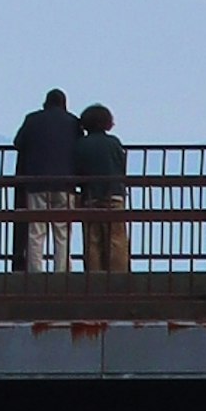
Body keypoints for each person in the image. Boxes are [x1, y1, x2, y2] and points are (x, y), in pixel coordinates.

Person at [11, 85, 77, 276]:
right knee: (62, 231)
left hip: (36, 183)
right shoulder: (73, 122)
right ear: (64, 105)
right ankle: (61, 272)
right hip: (65, 184)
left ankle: (35, 272)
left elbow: (18, 143)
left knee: (36, 229)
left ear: (45, 104)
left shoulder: (32, 119)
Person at [76, 98, 131, 283]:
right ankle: (118, 278)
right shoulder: (114, 142)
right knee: (116, 239)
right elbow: (121, 166)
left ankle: (94, 279)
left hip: (90, 196)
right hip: (114, 193)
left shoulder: (81, 144)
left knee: (93, 240)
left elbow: (78, 169)